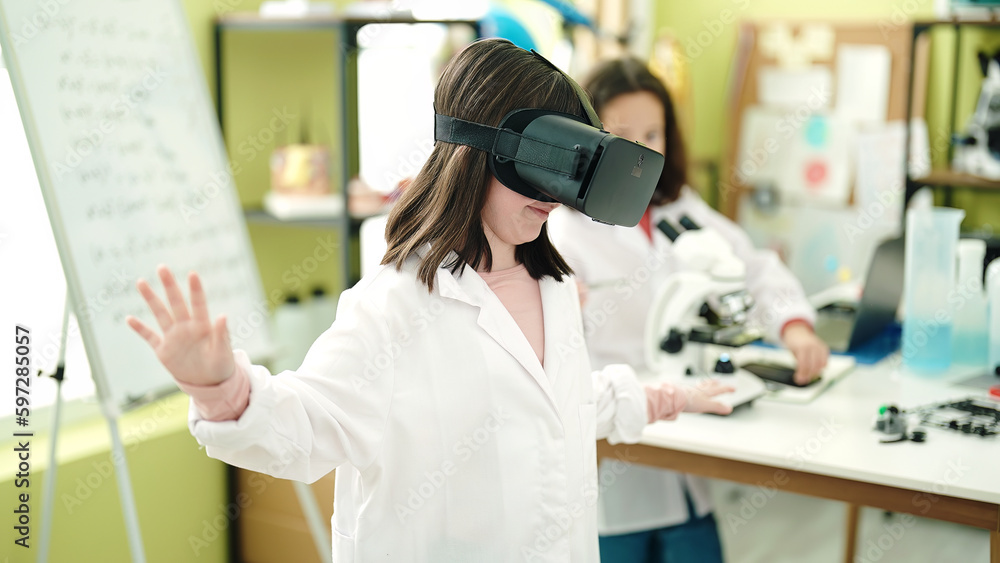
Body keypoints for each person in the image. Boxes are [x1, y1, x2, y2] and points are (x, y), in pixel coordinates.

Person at [125, 39, 733, 562]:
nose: (556, 195)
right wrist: (221, 391)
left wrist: (665, 395)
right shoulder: (393, 310)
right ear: (476, 151)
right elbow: (308, 426)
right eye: (545, 163)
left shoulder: (552, 288)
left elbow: (561, 406)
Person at [546, 57, 831, 562]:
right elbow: (547, 341)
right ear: (589, 138)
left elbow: (753, 265)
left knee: (695, 541)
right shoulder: (564, 227)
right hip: (614, 438)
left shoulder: (680, 207)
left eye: (654, 133)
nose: (640, 149)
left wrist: (795, 327)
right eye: (622, 133)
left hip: (686, 429)